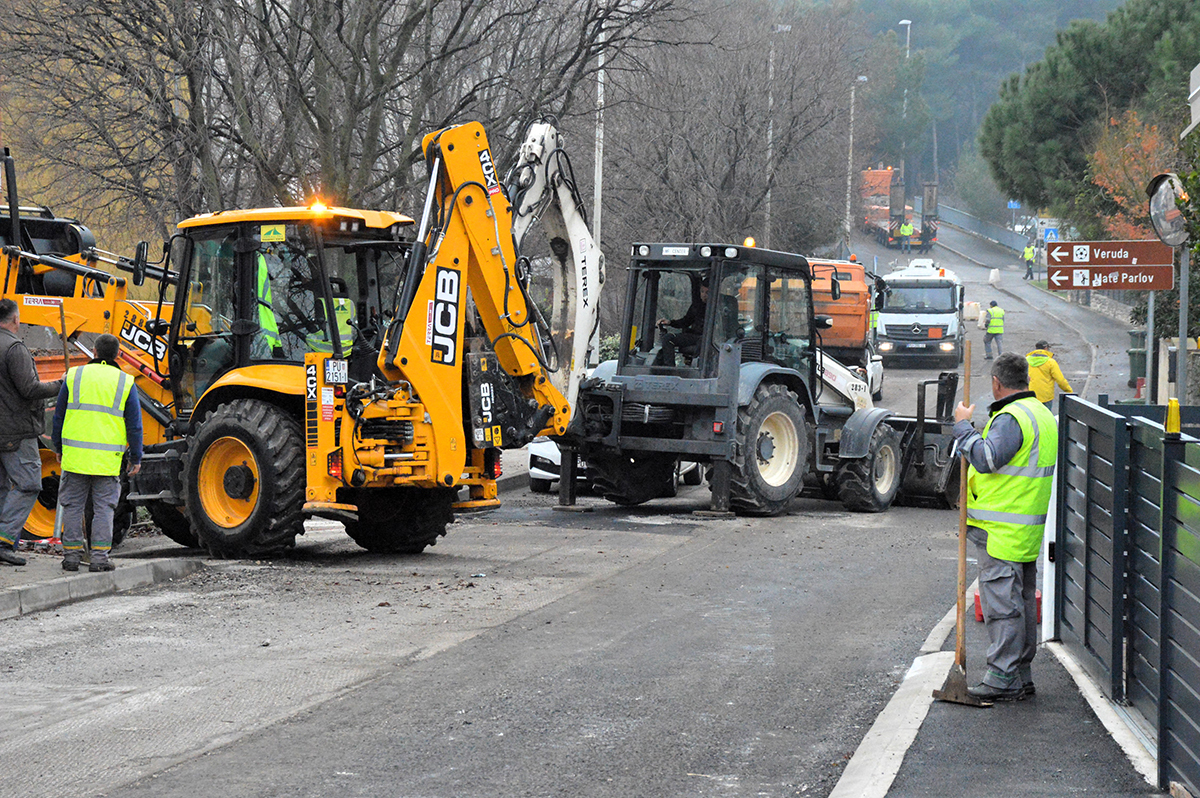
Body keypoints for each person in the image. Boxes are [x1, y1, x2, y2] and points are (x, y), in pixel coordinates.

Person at [953, 353, 1058, 701]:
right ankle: (1020, 675)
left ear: (997, 383)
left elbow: (986, 459)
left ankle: (1002, 677)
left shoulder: (1011, 418)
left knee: (1002, 606)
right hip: (1025, 529)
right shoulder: (1042, 414)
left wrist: (963, 427)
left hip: (1002, 530)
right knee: (1023, 603)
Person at [51, 334, 142, 572]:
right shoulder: (125, 382)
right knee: (104, 508)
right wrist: (136, 458)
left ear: (94, 351)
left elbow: (58, 416)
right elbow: (134, 425)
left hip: (75, 458)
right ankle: (100, 558)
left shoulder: (74, 376)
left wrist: (58, 448)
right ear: (117, 354)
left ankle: (71, 557)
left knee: (72, 505)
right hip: (106, 460)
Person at [0, 298, 63, 566]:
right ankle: (4, 541)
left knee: (3, 487)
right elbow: (29, 389)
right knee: (28, 484)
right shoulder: (14, 348)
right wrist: (61, 384)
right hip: (16, 431)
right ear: (15, 320)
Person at [656, 280, 708, 365]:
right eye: (702, 291)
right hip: (694, 337)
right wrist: (670, 322)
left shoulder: (719, 307)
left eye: (707, 292)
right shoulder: (697, 306)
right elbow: (686, 321)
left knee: (703, 341)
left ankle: (697, 367)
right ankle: (669, 369)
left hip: (709, 339)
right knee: (668, 338)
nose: (704, 295)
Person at [1026, 340, 1073, 412]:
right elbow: (1060, 380)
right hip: (1046, 397)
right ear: (1046, 349)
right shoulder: (1050, 362)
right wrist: (1069, 391)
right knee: (1046, 418)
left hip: (1030, 395)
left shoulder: (1026, 361)